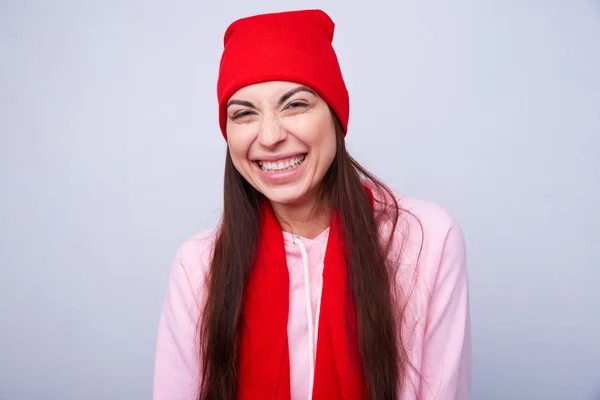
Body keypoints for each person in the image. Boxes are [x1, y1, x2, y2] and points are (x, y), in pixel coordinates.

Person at [152, 9, 471, 400]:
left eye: (295, 105)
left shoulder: (427, 241)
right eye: (244, 113)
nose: (269, 136)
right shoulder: (199, 265)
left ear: (335, 115)